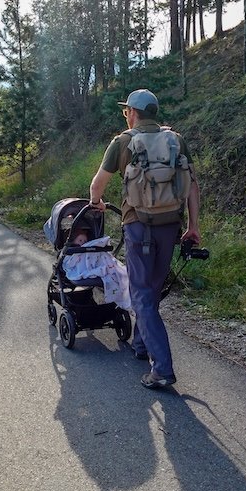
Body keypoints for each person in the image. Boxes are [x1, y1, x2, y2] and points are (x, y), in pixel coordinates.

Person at [89, 89, 200, 389]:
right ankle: (141, 345)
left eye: (126, 111)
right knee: (151, 290)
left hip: (138, 227)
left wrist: (96, 202)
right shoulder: (175, 140)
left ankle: (162, 368)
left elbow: (97, 185)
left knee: (140, 293)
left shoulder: (123, 142)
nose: (126, 116)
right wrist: (193, 226)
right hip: (170, 227)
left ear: (133, 113)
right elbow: (191, 186)